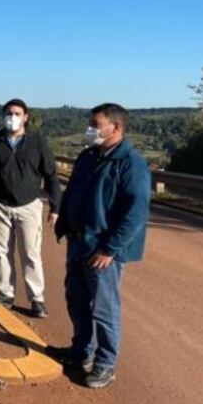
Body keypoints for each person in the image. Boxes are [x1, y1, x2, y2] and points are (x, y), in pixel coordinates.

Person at [54, 103, 150, 389]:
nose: (90, 129)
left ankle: (105, 364)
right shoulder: (88, 156)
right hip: (78, 242)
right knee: (77, 300)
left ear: (116, 128)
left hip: (103, 250)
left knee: (104, 309)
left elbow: (136, 212)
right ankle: (81, 351)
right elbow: (73, 193)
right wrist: (65, 226)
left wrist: (110, 249)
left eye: (96, 124)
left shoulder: (131, 164)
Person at [0, 98, 61, 318]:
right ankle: (5, 293)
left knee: (30, 253)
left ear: (26, 117)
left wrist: (55, 206)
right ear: (4, 116)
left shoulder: (37, 142)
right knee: (1, 252)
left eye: (17, 114)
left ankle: (36, 299)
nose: (13, 117)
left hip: (28, 206)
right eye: (9, 113)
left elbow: (51, 175)